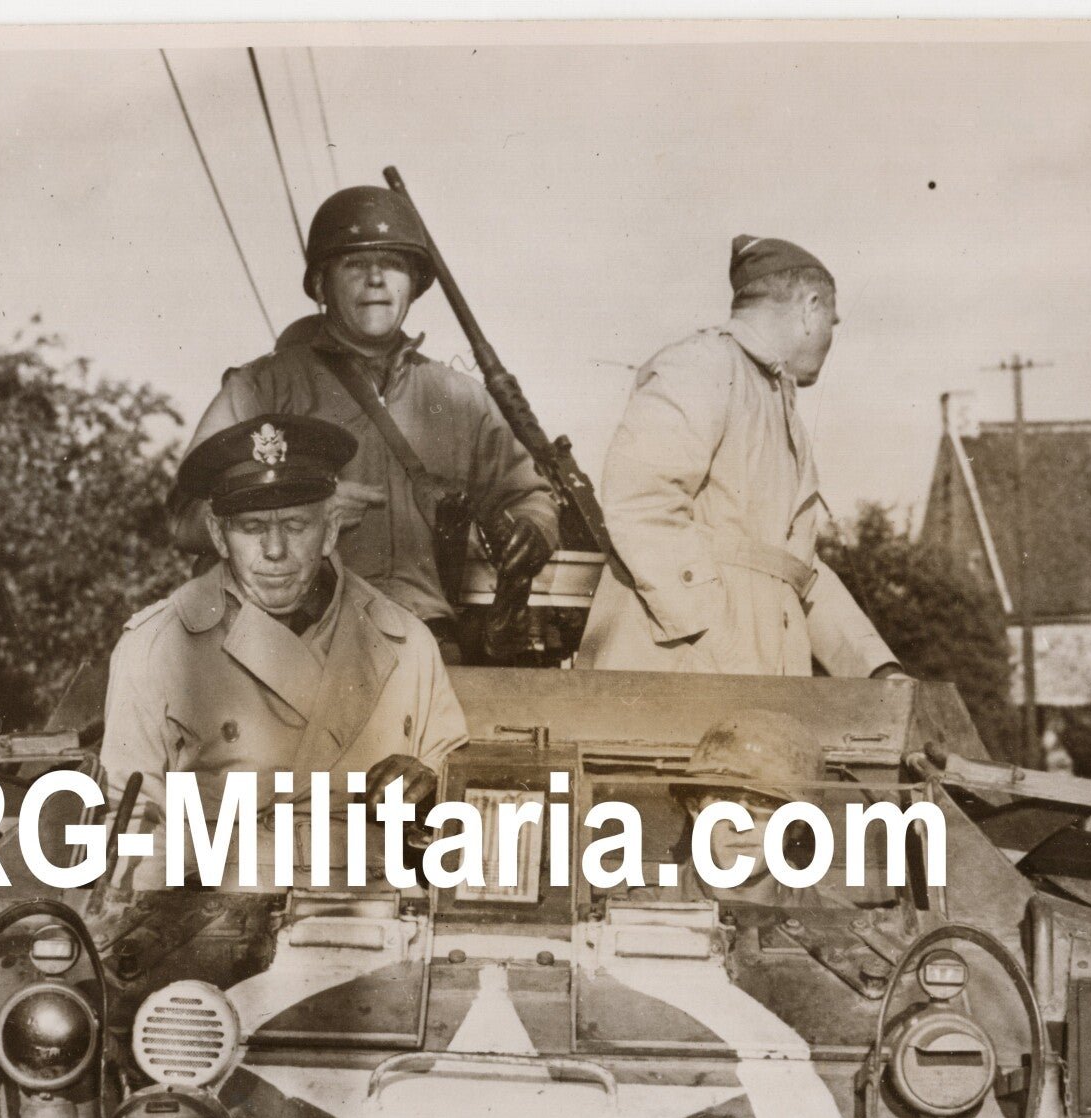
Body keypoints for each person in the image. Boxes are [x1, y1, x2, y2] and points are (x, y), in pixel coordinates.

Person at [167, 186, 558, 656]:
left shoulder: (459, 399)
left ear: (413, 284)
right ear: (320, 286)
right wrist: (300, 507)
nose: (376, 279)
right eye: (355, 265)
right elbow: (187, 519)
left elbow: (527, 495)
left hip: (426, 642)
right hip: (291, 641)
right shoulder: (263, 388)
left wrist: (533, 529)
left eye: (392, 265)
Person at [101, 413, 469, 895]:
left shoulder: (407, 642)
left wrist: (430, 795)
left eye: (296, 524)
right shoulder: (156, 647)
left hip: (374, 912)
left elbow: (461, 830)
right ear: (217, 535)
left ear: (332, 528)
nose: (275, 550)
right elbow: (126, 829)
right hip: (216, 911)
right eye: (252, 527)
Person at [577, 235, 903, 678]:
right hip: (678, 675)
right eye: (832, 319)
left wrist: (877, 669)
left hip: (746, 682)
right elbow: (640, 507)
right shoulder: (702, 365)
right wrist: (720, 643)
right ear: (810, 308)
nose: (831, 335)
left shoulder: (775, 403)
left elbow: (796, 570)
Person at [668, 710, 881, 911]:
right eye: (724, 799)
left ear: (798, 823)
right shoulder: (642, 914)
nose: (739, 823)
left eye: (762, 800)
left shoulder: (838, 923)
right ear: (695, 811)